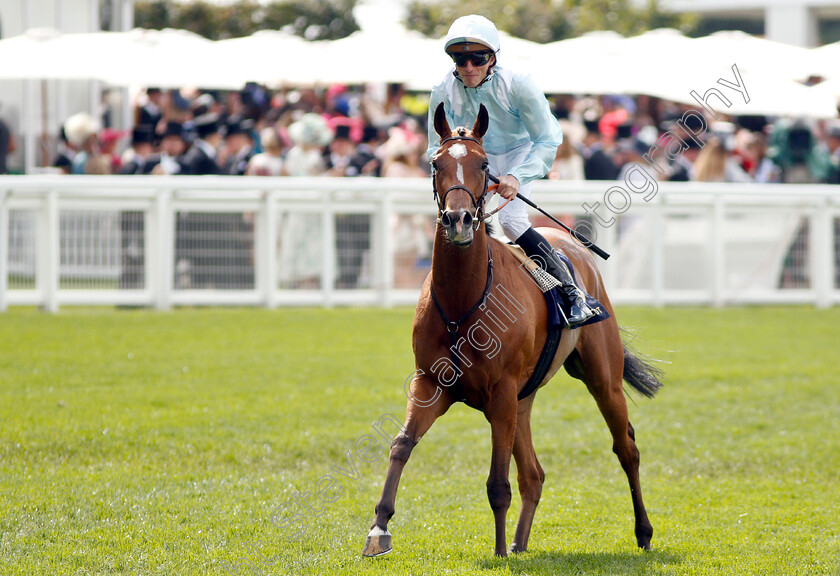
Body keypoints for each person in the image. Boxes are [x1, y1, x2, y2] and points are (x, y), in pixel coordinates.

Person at [426, 14, 594, 326]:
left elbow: (547, 139)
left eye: (478, 58)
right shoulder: (442, 89)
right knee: (455, 215)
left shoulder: (519, 84)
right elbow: (431, 147)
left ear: (493, 58)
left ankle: (573, 293)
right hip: (474, 161)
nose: (469, 68)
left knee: (511, 219)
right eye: (460, 60)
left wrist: (517, 176)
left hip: (521, 153)